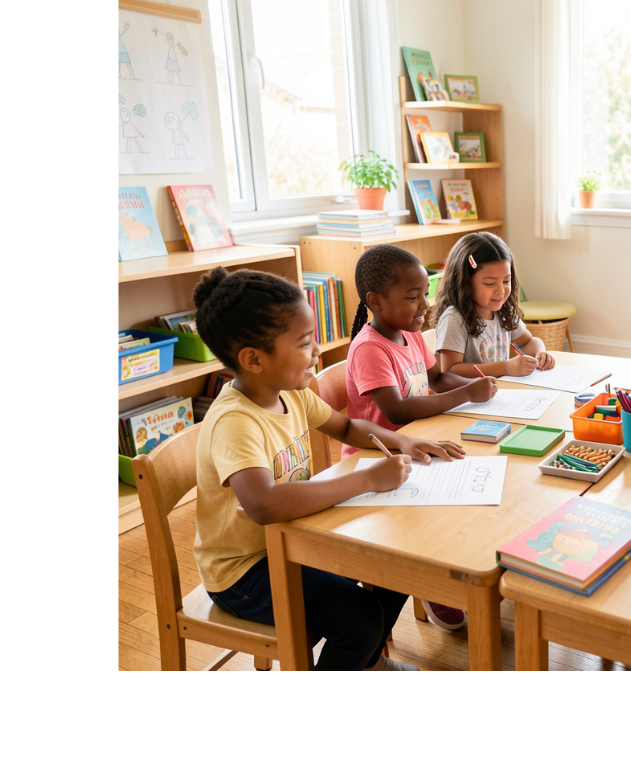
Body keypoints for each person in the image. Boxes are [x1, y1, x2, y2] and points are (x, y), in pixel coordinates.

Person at [188, 265, 464, 671]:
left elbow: (349, 426)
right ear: (253, 359)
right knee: (360, 619)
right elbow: (263, 504)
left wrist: (404, 440)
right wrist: (366, 478)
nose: (316, 352)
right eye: (304, 343)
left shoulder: (292, 393)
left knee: (397, 571)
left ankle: (366, 665)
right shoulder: (235, 422)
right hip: (243, 573)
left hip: (296, 541)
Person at [344, 244, 497, 630]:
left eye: (425, 293)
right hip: (377, 457)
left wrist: (478, 385)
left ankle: (439, 569)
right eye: (414, 297)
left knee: (475, 478)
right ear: (375, 301)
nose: (425, 304)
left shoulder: (409, 334)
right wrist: (463, 394)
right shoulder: (369, 349)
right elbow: (395, 410)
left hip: (418, 442)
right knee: (440, 510)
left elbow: (437, 378)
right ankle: (430, 581)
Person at [433, 232, 555, 379]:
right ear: (465, 283)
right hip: (469, 398)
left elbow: (528, 341)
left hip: (498, 393)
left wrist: (540, 353)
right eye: (490, 283)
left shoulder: (504, 311)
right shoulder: (454, 319)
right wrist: (505, 367)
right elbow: (450, 371)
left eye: (506, 281)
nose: (501, 291)